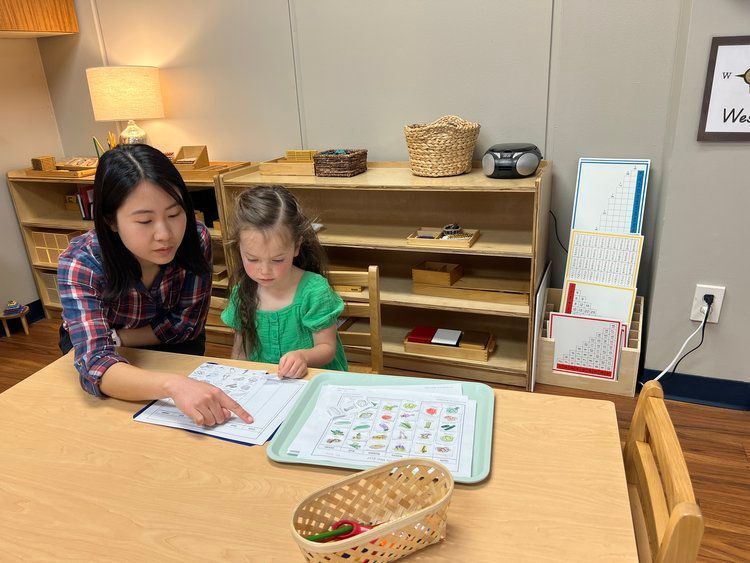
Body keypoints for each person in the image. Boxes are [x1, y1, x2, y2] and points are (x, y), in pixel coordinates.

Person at [57, 144, 252, 426]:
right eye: (145, 220)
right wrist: (171, 385)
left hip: (166, 343)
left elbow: (187, 326)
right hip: (114, 352)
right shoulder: (81, 262)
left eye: (174, 214)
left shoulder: (195, 239)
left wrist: (118, 337)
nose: (165, 234)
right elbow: (96, 365)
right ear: (111, 220)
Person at [221, 185, 348, 378]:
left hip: (315, 382)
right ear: (238, 248)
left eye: (277, 260)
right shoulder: (242, 293)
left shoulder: (314, 291)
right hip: (266, 387)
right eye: (252, 259)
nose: (264, 271)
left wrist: (303, 357)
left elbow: (327, 348)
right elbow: (240, 351)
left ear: (296, 247)